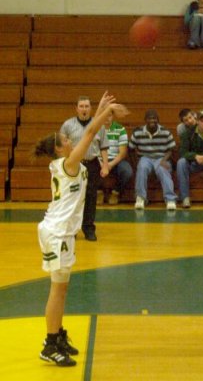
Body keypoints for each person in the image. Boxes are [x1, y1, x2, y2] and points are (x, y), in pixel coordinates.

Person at [34, 100, 128, 367]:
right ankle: (50, 344)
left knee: (62, 290)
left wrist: (100, 110)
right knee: (57, 289)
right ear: (59, 148)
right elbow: (88, 134)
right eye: (66, 139)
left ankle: (57, 334)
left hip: (63, 232)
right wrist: (106, 113)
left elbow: (90, 132)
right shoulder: (69, 163)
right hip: (57, 232)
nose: (70, 140)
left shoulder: (64, 163)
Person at [60, 92, 112, 241]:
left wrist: (105, 166)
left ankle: (88, 228)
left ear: (91, 108)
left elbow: (104, 147)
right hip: (75, 165)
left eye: (87, 106)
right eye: (81, 106)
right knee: (73, 197)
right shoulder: (68, 125)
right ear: (76, 108)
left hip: (92, 164)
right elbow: (62, 147)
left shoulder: (98, 125)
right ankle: (72, 229)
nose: (84, 109)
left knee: (91, 197)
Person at [129, 109, 177, 210]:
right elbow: (131, 149)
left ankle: (170, 199)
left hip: (161, 157)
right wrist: (136, 162)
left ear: (158, 120)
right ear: (145, 120)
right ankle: (141, 198)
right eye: (150, 118)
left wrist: (164, 160)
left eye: (154, 118)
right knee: (142, 167)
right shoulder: (138, 132)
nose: (152, 120)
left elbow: (172, 149)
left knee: (163, 169)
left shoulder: (166, 132)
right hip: (145, 157)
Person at [97, 111, 133, 204]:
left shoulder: (120, 129)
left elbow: (122, 153)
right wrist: (102, 164)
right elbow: (93, 150)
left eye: (109, 115)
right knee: (88, 167)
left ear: (112, 116)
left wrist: (110, 164)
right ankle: (98, 192)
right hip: (99, 160)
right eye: (104, 115)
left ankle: (116, 192)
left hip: (116, 161)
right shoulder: (96, 129)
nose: (107, 118)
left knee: (127, 171)